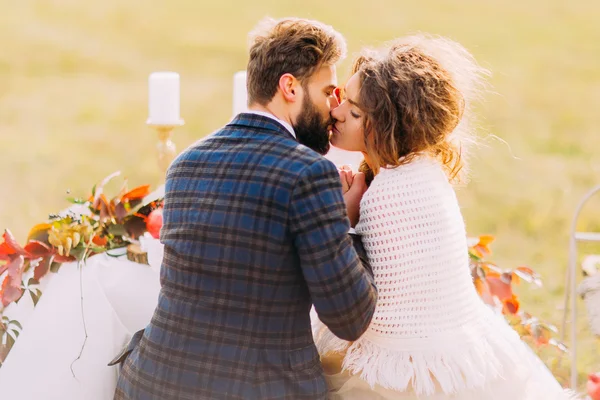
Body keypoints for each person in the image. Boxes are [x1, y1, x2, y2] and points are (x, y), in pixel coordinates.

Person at [113, 17, 377, 400]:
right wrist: (348, 223)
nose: (332, 109)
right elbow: (350, 317)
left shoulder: (185, 162)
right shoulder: (310, 173)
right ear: (290, 87)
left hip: (150, 383)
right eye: (327, 92)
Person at [313, 34, 574, 399]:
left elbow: (367, 307)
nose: (336, 112)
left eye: (354, 112)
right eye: (343, 98)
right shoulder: (414, 169)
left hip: (407, 366)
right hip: (452, 343)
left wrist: (346, 218)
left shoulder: (393, 193)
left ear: (388, 127)